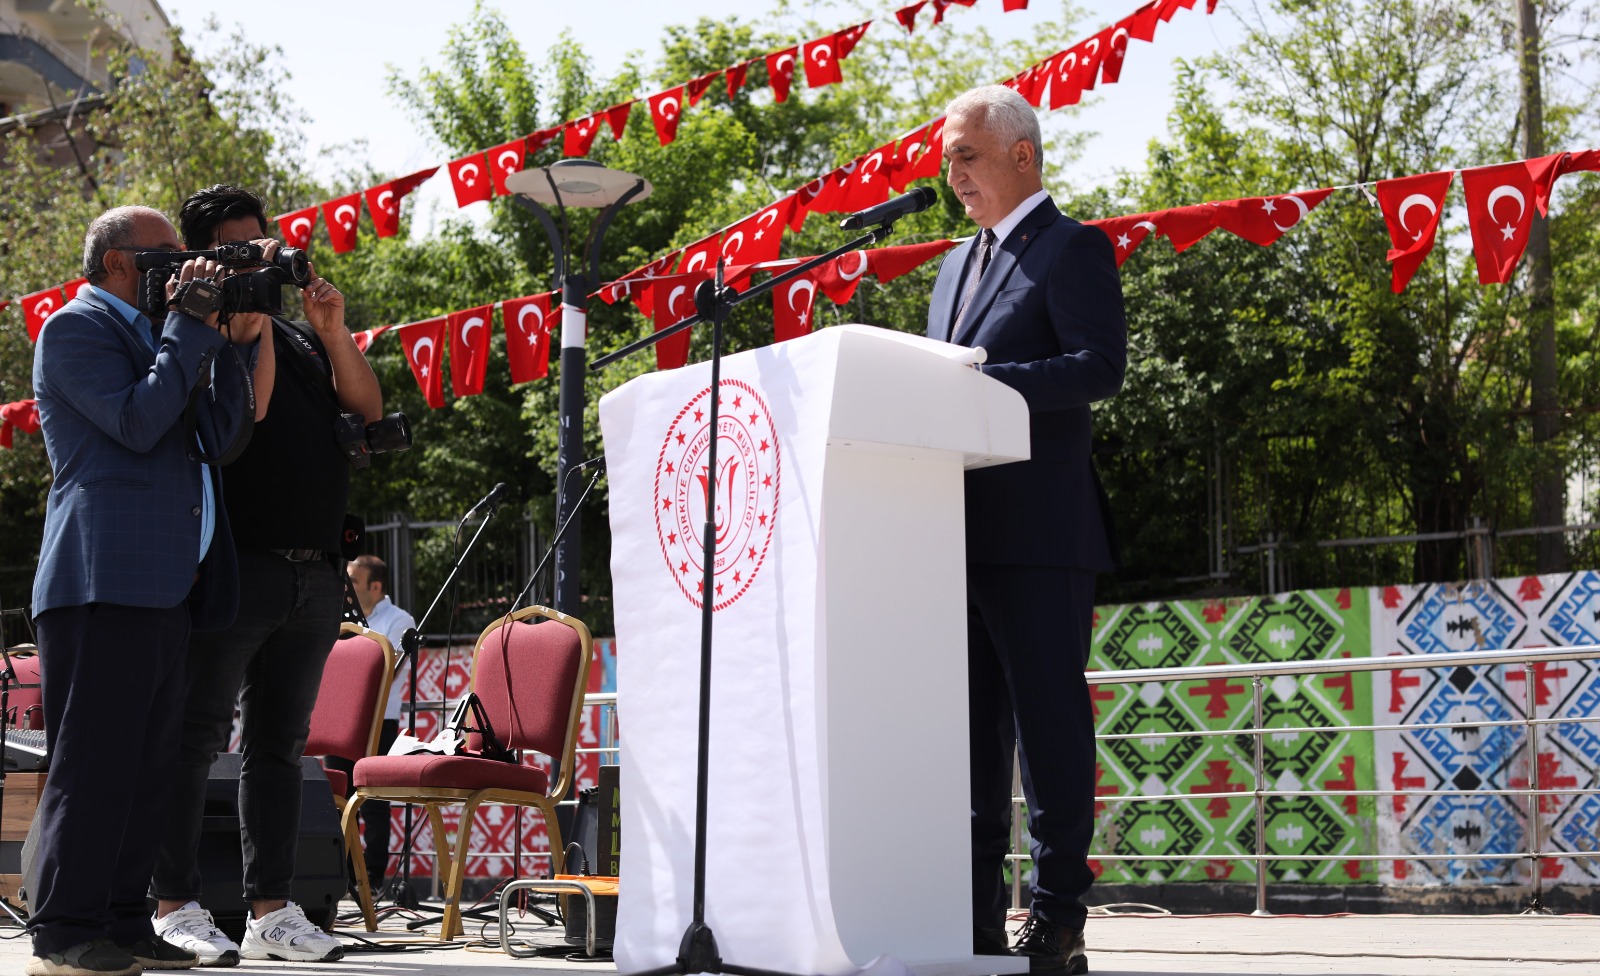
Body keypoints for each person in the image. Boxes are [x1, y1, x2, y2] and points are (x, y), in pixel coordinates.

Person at [150, 185, 382, 965]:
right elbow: (241, 421)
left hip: (312, 571)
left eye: (262, 245)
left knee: (280, 747)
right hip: (235, 566)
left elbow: (367, 409)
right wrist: (241, 328)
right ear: (203, 256)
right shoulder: (192, 330)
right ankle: (173, 903)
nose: (258, 262)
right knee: (195, 737)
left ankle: (271, 912)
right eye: (239, 251)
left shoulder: (299, 334)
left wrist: (333, 330)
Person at [927, 86, 1126, 974]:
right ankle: (971, 920)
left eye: (966, 156)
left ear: (1021, 155)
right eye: (948, 160)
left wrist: (986, 386)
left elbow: (1098, 366)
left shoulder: (1072, 248)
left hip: (1041, 535)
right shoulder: (951, 266)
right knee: (970, 745)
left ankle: (1056, 918)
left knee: (1049, 737)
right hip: (951, 535)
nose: (953, 174)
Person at [27, 206, 257, 976]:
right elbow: (135, 422)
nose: (185, 266)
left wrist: (226, 338)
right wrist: (187, 329)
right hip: (100, 581)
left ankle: (124, 923)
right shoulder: (74, 328)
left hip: (165, 585)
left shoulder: (170, 336)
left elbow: (220, 438)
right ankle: (63, 933)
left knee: (148, 771)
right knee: (94, 765)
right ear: (119, 262)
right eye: (169, 255)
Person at [329, 554, 415, 895]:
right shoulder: (337, 617)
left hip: (380, 721)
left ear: (375, 586)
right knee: (337, 798)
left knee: (374, 801)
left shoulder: (400, 619)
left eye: (353, 580)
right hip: (340, 719)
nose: (346, 587)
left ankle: (373, 877)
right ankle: (342, 874)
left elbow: (385, 671)